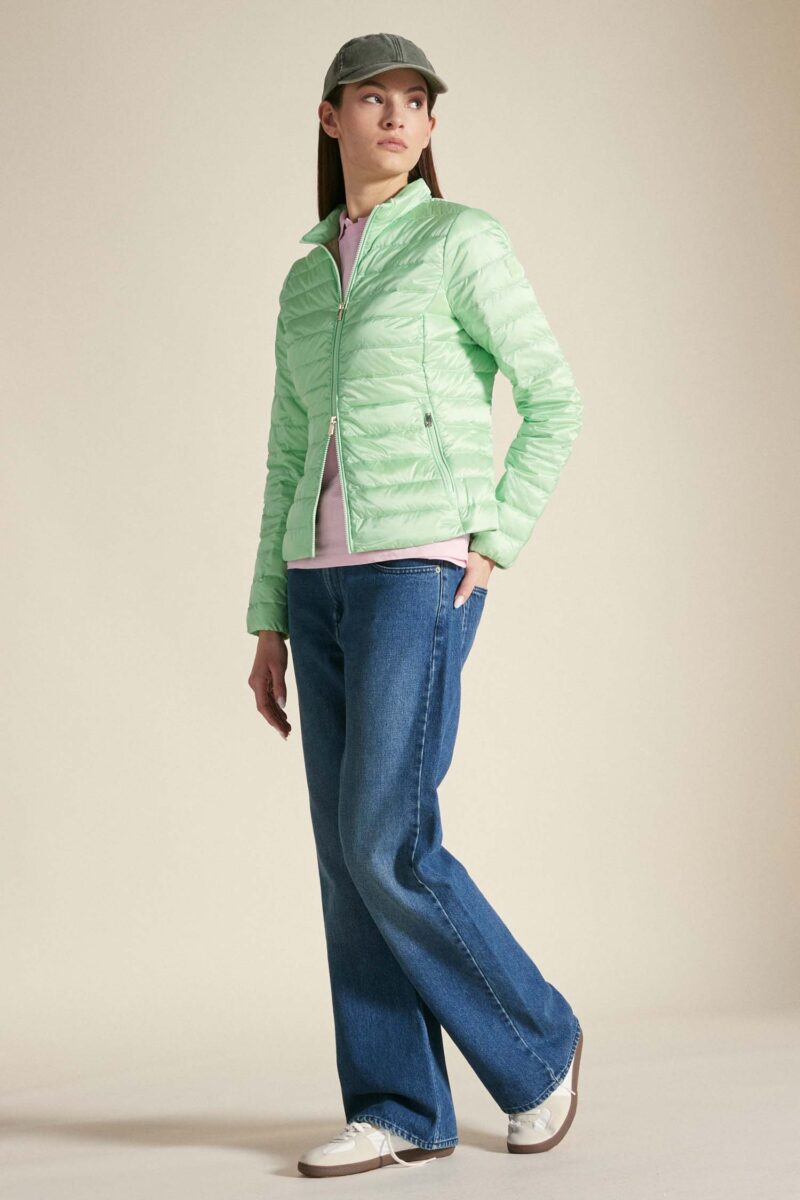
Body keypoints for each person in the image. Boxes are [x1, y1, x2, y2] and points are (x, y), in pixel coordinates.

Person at [246, 32, 585, 1179]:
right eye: (372, 98)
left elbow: (552, 397)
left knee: (383, 838)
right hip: (317, 583)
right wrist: (265, 613)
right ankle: (397, 1105)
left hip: (416, 568)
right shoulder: (305, 280)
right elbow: (286, 453)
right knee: (344, 856)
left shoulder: (458, 240)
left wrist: (494, 537)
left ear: (431, 126)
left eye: (414, 101)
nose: (396, 116)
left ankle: (536, 1044)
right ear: (330, 117)